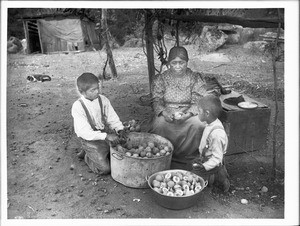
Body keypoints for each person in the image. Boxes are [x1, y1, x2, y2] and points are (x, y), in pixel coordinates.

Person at [150, 46, 208, 170]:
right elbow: (156, 100)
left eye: (181, 63)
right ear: (169, 63)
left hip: (189, 111)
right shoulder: (162, 78)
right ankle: (164, 154)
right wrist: (164, 113)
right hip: (167, 111)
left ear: (187, 62)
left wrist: (188, 114)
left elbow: (198, 100)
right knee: (159, 124)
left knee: (198, 124)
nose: (178, 66)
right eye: (174, 63)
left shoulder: (195, 78)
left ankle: (188, 156)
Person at [71, 72, 126, 175]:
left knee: (121, 153)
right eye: (92, 90)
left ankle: (96, 153)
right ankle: (88, 156)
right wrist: (106, 136)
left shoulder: (103, 100)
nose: (97, 92)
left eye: (98, 88)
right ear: (81, 92)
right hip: (89, 139)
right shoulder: (78, 107)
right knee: (105, 169)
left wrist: (119, 129)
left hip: (104, 134)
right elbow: (85, 132)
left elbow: (112, 117)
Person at [191, 94, 230, 192]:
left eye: (199, 111)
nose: (197, 113)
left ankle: (221, 182)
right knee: (193, 169)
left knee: (202, 178)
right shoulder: (211, 123)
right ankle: (211, 179)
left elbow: (217, 158)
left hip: (213, 162)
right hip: (207, 157)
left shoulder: (217, 134)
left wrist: (205, 166)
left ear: (207, 113)